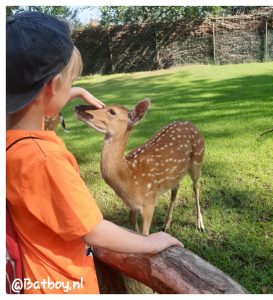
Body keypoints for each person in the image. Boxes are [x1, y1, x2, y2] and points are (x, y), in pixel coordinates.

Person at [6, 12, 183, 294]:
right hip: (65, 286)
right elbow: (94, 230)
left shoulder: (12, 142)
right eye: (71, 80)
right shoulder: (44, 160)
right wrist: (149, 243)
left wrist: (70, 91)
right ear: (51, 87)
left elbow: (27, 112)